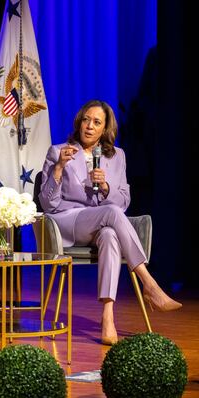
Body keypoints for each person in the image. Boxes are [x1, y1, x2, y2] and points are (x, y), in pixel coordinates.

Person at [38, 99, 181, 345]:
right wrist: (59, 168)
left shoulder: (117, 157)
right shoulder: (57, 151)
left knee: (110, 235)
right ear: (79, 122)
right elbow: (48, 204)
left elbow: (124, 200)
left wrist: (105, 186)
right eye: (86, 120)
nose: (89, 126)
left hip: (100, 223)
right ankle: (149, 283)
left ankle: (107, 318)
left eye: (96, 122)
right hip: (66, 222)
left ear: (105, 129)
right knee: (112, 213)